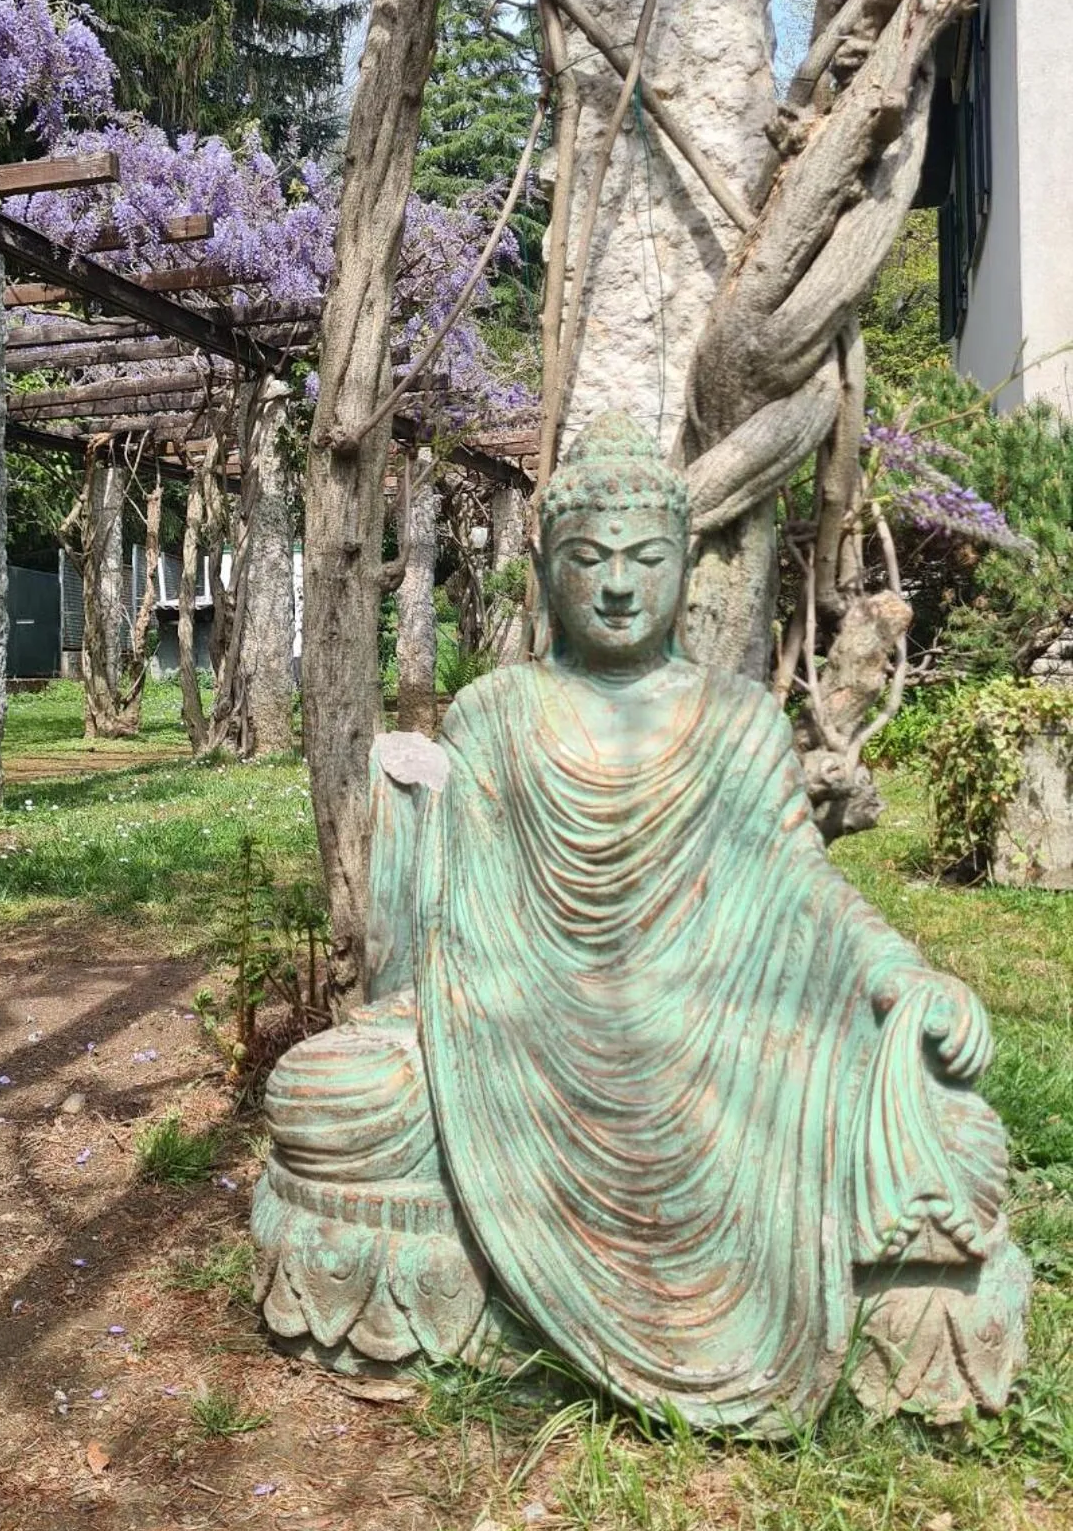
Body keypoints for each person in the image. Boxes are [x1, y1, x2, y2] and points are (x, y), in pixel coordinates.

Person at [253, 413, 1028, 1433]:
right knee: (325, 1094)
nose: (617, 585)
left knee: (950, 1122)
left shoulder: (737, 717)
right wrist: (434, 1009)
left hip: (704, 1024)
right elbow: (456, 920)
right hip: (520, 1025)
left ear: (683, 567)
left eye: (645, 559)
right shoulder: (498, 711)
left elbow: (807, 889)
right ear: (545, 569)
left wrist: (904, 977)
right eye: (589, 559)